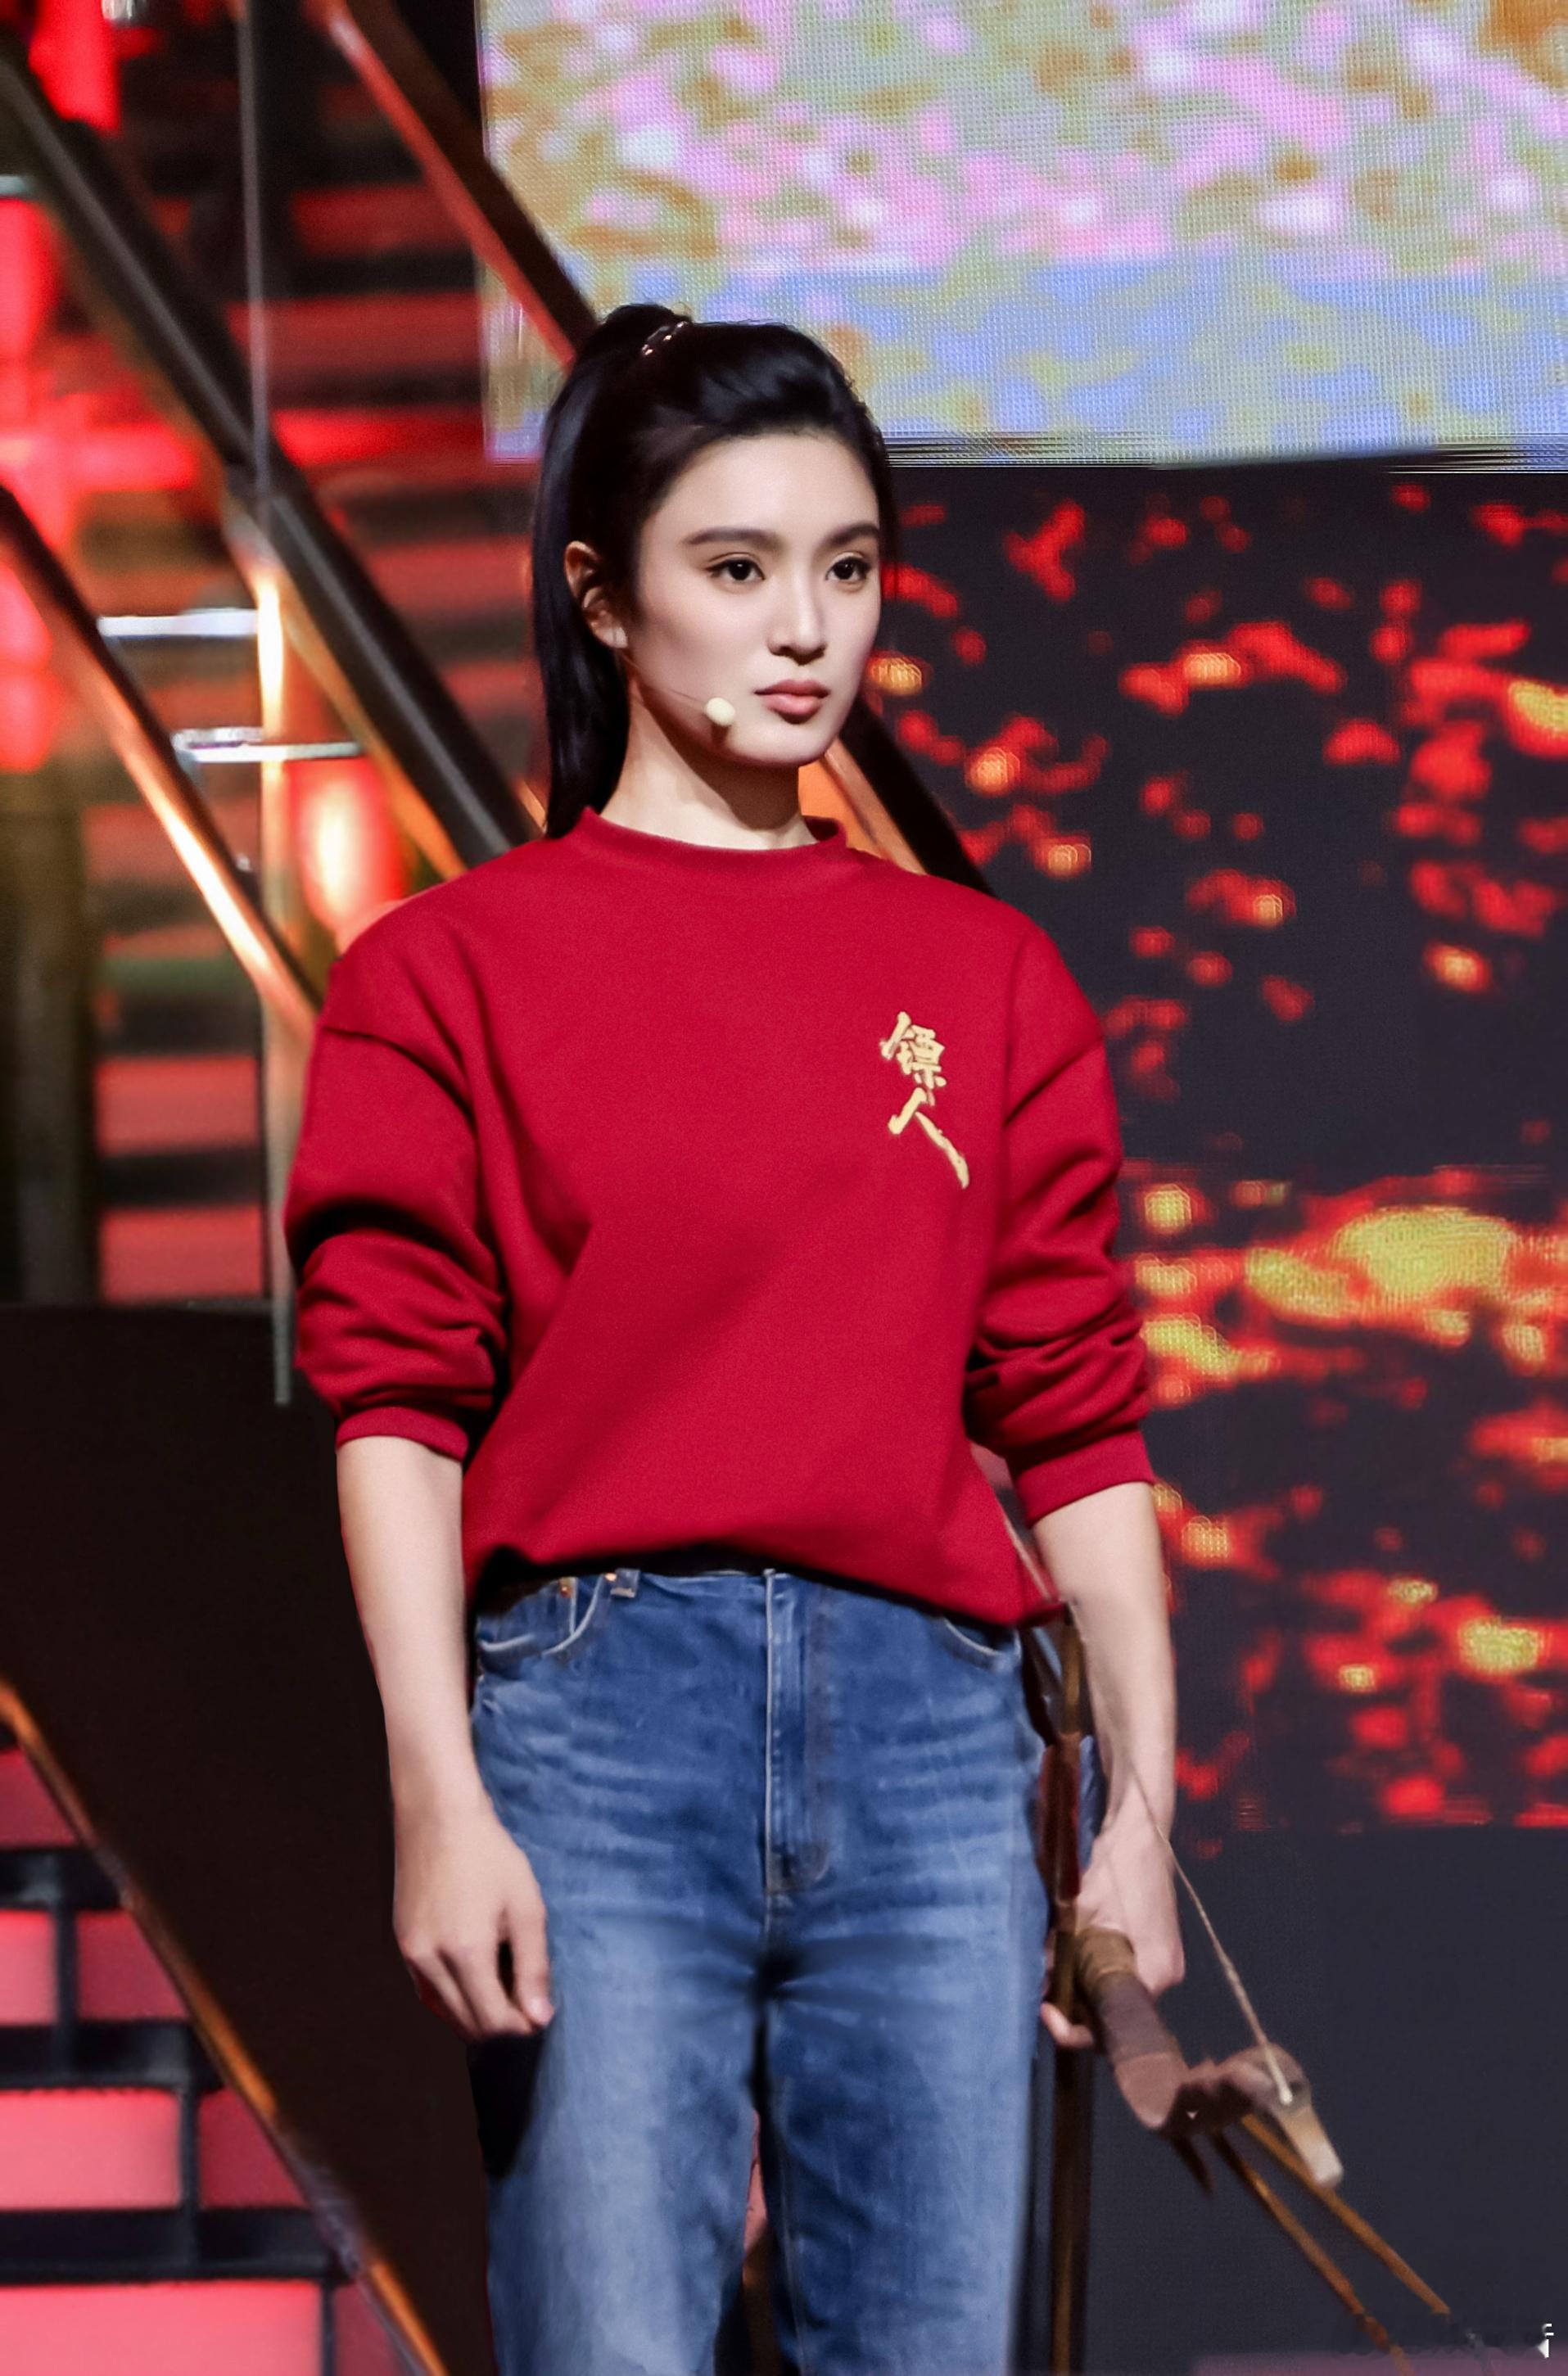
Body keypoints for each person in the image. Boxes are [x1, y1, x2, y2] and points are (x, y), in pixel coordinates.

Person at [282, 303, 1181, 2376]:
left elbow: (1075, 1419)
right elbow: (396, 1403)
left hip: (935, 1743)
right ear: (603, 599)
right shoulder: (445, 972)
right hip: (594, 1728)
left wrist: (1138, 1809)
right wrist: (436, 1789)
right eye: (738, 564)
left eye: (846, 565)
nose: (805, 628)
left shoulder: (980, 977)